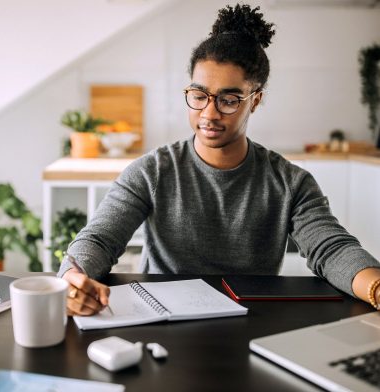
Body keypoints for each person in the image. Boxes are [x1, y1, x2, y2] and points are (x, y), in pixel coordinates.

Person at [58, 3, 380, 316]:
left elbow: (332, 249)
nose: (209, 113)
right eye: (199, 96)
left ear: (255, 101)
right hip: (164, 330)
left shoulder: (290, 183)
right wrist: (71, 281)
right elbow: (99, 239)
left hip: (252, 330)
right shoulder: (152, 172)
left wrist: (376, 287)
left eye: (228, 100)